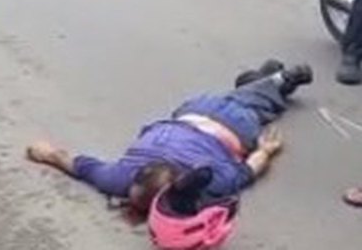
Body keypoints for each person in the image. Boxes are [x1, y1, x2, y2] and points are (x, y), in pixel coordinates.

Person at [26, 60, 312, 216]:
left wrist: (266, 150)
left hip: (225, 122)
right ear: (134, 178)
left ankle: (275, 80)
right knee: (245, 97)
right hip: (195, 110)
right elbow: (70, 162)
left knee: (257, 104)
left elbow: (250, 168)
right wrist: (45, 153)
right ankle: (261, 81)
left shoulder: (209, 183)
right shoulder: (118, 179)